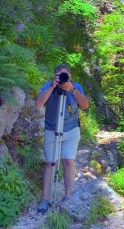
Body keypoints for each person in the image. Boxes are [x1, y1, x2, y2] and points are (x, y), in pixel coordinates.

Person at [36, 63, 89, 214]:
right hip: (52, 129)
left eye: (65, 76)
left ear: (70, 76)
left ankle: (68, 196)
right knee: (49, 163)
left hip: (72, 129)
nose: (63, 79)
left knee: (68, 160)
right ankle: (45, 199)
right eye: (60, 76)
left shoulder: (75, 86)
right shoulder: (48, 85)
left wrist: (71, 89)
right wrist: (52, 87)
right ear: (54, 76)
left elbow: (85, 105)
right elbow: (39, 104)